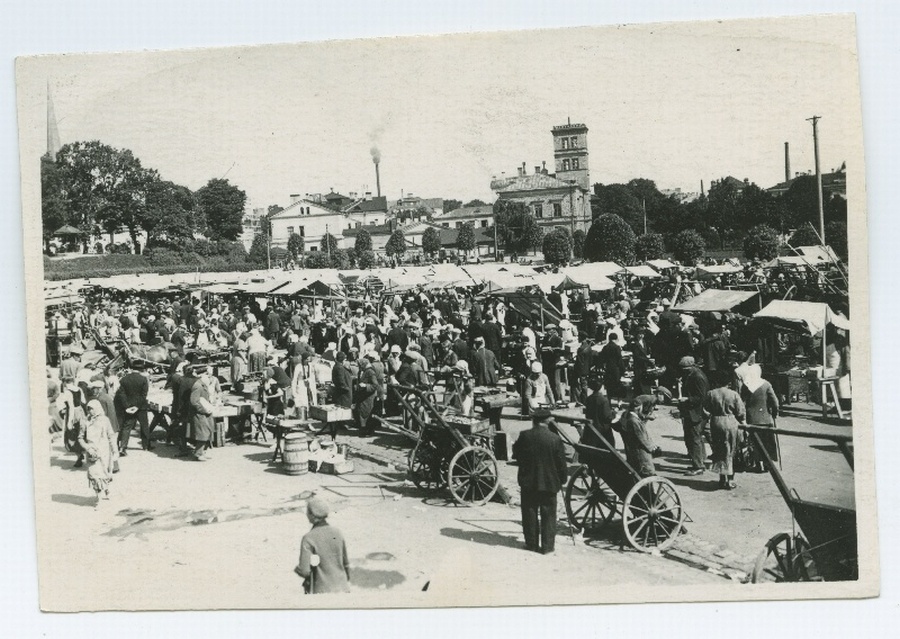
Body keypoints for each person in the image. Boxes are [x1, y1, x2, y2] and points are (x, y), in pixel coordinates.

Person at [512, 408, 568, 554]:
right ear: (547, 421)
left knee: (529, 512)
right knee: (549, 514)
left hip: (529, 481)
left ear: (534, 420)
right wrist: (562, 479)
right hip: (549, 482)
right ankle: (547, 547)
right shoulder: (555, 439)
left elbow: (516, 455)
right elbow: (561, 463)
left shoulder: (525, 436)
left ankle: (531, 544)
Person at [295, 497, 351, 594]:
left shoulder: (309, 538)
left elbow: (305, 571)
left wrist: (297, 569)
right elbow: (346, 564)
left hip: (322, 591)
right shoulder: (338, 533)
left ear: (312, 515)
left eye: (308, 512)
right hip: (343, 589)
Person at [702, 378, 746, 490]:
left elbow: (705, 409)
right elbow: (740, 411)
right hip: (730, 422)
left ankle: (722, 478)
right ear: (729, 382)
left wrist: (710, 416)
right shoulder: (734, 394)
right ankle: (731, 479)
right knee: (731, 450)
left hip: (716, 422)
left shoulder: (711, 393)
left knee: (719, 450)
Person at [79, 400, 118, 507]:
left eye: (92, 408)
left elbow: (111, 436)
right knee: (94, 475)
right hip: (92, 453)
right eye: (88, 409)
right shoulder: (85, 422)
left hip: (104, 451)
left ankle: (106, 490)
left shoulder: (105, 420)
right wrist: (87, 448)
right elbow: (80, 438)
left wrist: (115, 451)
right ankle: (99, 498)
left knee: (104, 474)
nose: (90, 411)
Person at [740, 364, 780, 463]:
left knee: (754, 441)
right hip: (764, 418)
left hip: (751, 417)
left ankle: (757, 462)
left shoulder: (746, 385)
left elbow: (741, 401)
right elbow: (774, 401)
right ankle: (767, 463)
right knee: (766, 442)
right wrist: (775, 412)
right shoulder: (766, 384)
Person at [677, 356, 709, 476]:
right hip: (691, 411)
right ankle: (700, 460)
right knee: (696, 437)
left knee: (694, 438)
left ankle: (698, 466)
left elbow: (701, 397)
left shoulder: (698, 377)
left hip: (695, 412)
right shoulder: (691, 374)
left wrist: (687, 399)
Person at [618, 395, 660, 478]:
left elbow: (640, 417)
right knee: (648, 472)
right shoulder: (634, 421)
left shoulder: (625, 415)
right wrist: (653, 448)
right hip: (640, 453)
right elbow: (642, 438)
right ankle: (648, 490)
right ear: (639, 408)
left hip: (630, 450)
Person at [114, 367, 151, 454]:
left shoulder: (124, 379)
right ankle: (146, 445)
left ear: (131, 369)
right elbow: (144, 394)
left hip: (129, 406)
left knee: (127, 426)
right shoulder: (143, 379)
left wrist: (127, 406)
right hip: (141, 406)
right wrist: (137, 406)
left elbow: (121, 394)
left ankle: (123, 447)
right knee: (144, 425)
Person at [354, 356, 379, 434]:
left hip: (368, 397)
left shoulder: (370, 372)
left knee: (366, 413)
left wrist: (366, 386)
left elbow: (375, 385)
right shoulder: (362, 371)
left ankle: (367, 430)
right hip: (362, 396)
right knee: (362, 412)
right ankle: (364, 429)